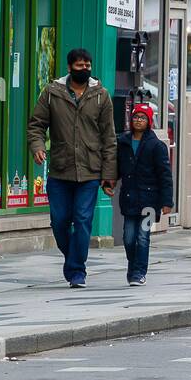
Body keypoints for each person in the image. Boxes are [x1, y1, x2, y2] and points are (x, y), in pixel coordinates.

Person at [28, 48, 117, 288]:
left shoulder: (101, 95)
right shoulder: (52, 93)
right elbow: (36, 125)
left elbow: (109, 138)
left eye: (88, 65)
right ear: (69, 68)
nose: (85, 69)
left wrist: (109, 175)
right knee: (59, 221)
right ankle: (72, 260)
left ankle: (77, 271)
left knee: (83, 218)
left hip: (90, 171)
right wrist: (37, 146)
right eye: (80, 66)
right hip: (60, 169)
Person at [116, 103, 174, 287]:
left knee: (143, 236)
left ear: (149, 121)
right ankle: (133, 265)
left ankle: (139, 272)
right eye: (135, 117)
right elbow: (116, 167)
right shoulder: (123, 142)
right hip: (129, 198)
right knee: (128, 237)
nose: (138, 121)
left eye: (142, 117)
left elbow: (165, 175)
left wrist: (166, 202)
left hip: (149, 201)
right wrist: (108, 181)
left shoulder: (156, 145)